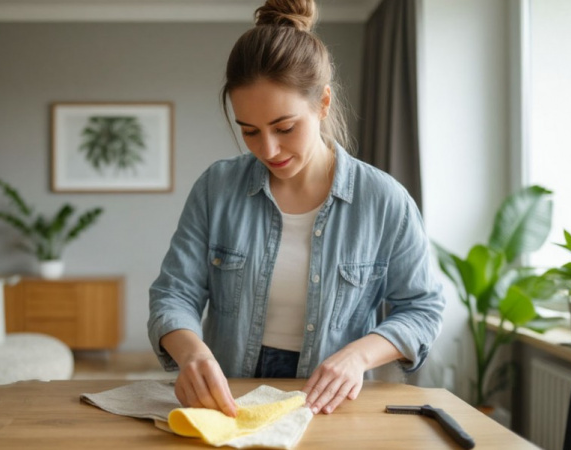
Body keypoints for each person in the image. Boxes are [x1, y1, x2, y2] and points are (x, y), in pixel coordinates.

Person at [148, 0, 445, 418]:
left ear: (322, 104)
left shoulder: (384, 200)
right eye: (249, 131)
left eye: (284, 128)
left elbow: (423, 308)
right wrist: (191, 352)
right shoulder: (217, 187)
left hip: (331, 405)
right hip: (230, 398)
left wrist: (358, 357)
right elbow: (173, 293)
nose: (267, 149)